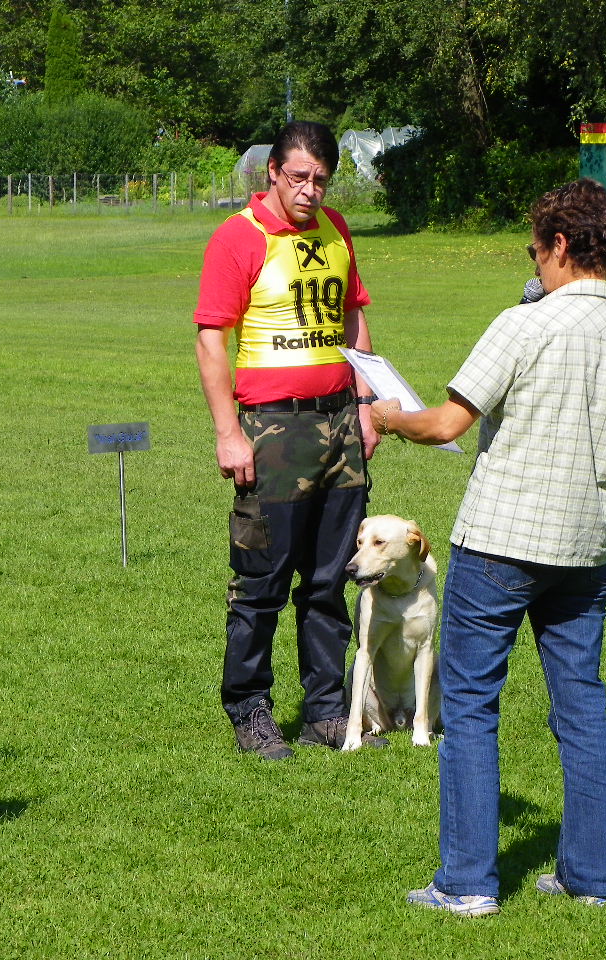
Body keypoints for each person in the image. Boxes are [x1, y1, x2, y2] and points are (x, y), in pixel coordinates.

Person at [371, 179, 606, 915]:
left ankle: (466, 883)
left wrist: (391, 418)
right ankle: (591, 878)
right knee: (581, 706)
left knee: (469, 706)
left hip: (501, 541)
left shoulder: (522, 324)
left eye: (534, 250)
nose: (533, 262)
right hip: (585, 547)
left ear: (559, 244)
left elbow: (446, 424)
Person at [193, 120, 385, 760]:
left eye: (320, 181)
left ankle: (326, 711)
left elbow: (353, 317)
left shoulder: (336, 230)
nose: (309, 191)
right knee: (262, 581)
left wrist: (366, 406)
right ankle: (250, 710)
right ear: (272, 172)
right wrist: (229, 432)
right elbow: (211, 341)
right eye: (298, 177)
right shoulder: (237, 238)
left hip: (340, 426)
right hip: (271, 430)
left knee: (332, 578)